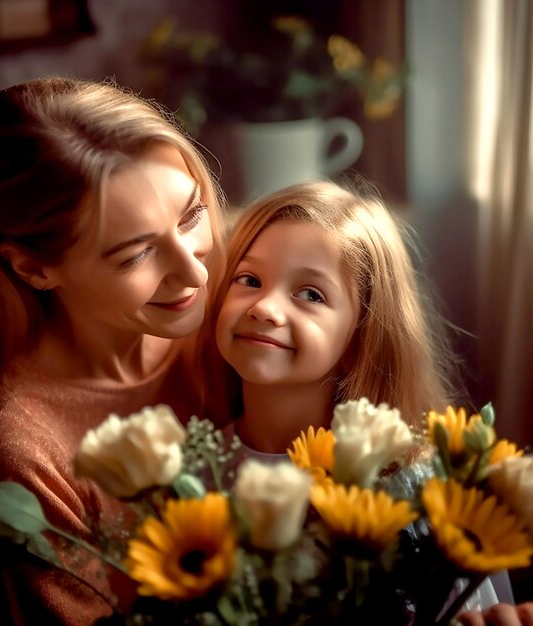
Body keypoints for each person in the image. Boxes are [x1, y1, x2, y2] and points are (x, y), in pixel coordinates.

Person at [0, 76, 228, 625]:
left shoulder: (237, 320)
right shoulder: (17, 443)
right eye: (136, 254)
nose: (194, 270)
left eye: (190, 215)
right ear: (33, 268)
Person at [203, 179, 522, 620]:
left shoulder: (421, 493)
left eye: (310, 294)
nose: (265, 307)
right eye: (249, 279)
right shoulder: (190, 472)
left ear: (360, 338)